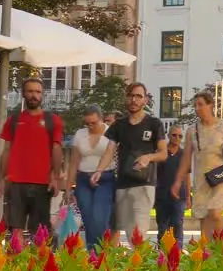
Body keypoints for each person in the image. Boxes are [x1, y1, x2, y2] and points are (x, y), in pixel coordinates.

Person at [92, 82, 168, 242]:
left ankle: (138, 266)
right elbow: (109, 151)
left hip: (144, 184)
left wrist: (148, 157)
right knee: (125, 231)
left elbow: (163, 153)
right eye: (131, 95)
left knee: (138, 234)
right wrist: (99, 170)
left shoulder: (154, 124)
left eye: (138, 96)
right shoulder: (119, 125)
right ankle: (128, 265)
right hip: (123, 184)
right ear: (126, 98)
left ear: (145, 100)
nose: (134, 99)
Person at [171, 90, 223, 242]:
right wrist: (178, 182)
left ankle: (221, 246)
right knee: (204, 220)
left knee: (215, 214)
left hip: (220, 178)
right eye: (195, 105)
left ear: (210, 105)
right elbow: (185, 159)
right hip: (201, 181)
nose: (197, 108)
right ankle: (207, 255)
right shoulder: (192, 130)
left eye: (201, 104)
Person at [0, 77, 65, 239]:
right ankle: (17, 263)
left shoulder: (52, 120)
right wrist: (1, 178)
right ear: (23, 94)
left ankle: (39, 263)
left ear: (42, 95)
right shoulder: (13, 120)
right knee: (15, 229)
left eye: (38, 92)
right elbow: (6, 150)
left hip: (42, 183)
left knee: (40, 231)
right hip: (16, 183)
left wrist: (56, 177)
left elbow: (56, 148)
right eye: (30, 91)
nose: (34, 95)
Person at [68, 105, 116, 250]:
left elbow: (113, 155)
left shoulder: (111, 132)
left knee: (99, 218)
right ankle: (92, 254)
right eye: (87, 123)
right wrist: (69, 185)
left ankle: (103, 251)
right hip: (83, 178)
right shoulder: (80, 134)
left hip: (105, 178)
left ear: (101, 119)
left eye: (93, 123)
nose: (90, 126)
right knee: (88, 219)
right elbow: (74, 161)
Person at [156, 123, 189, 245]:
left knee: (178, 224)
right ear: (169, 135)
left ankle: (178, 253)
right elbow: (155, 175)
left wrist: (188, 196)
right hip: (162, 196)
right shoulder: (161, 153)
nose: (177, 138)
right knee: (162, 227)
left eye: (180, 136)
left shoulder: (184, 154)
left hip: (180, 197)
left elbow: (187, 175)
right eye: (174, 135)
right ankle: (162, 255)